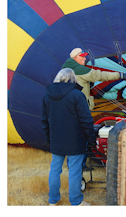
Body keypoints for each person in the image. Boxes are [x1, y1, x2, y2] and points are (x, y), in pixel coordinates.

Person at [42, 68, 96, 206]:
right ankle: (76, 201)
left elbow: (44, 120)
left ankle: (53, 200)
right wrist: (91, 139)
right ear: (73, 79)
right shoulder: (77, 95)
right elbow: (86, 119)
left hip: (56, 138)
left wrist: (49, 138)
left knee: (55, 169)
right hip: (75, 139)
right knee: (75, 171)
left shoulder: (47, 95)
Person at [62, 48, 126, 110]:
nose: (85, 58)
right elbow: (100, 75)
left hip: (68, 105)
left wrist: (87, 84)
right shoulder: (80, 70)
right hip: (80, 107)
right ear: (75, 57)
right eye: (82, 56)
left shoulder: (64, 69)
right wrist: (120, 75)